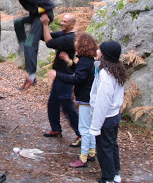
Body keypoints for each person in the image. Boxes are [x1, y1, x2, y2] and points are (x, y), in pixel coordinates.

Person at [47, 33, 98, 168]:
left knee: (84, 128)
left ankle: (83, 158)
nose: (74, 43)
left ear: (82, 45)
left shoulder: (85, 61)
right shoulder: (88, 60)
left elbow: (77, 78)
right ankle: (91, 153)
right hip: (89, 98)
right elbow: (81, 72)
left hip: (86, 99)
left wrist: (58, 74)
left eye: (77, 41)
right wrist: (69, 62)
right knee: (89, 128)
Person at [89, 41, 128, 183]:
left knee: (104, 149)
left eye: (100, 48)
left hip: (105, 117)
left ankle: (108, 178)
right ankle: (115, 173)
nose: (97, 50)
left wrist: (95, 126)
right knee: (112, 145)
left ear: (105, 54)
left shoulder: (105, 74)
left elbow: (102, 103)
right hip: (114, 115)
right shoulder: (116, 69)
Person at [40, 13, 81, 144]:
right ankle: (56, 129)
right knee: (52, 103)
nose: (62, 23)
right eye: (62, 21)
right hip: (58, 76)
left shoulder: (70, 38)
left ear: (72, 25)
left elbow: (50, 43)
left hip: (65, 77)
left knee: (67, 107)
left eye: (65, 22)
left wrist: (45, 24)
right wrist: (40, 23)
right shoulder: (64, 34)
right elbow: (44, 36)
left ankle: (81, 134)